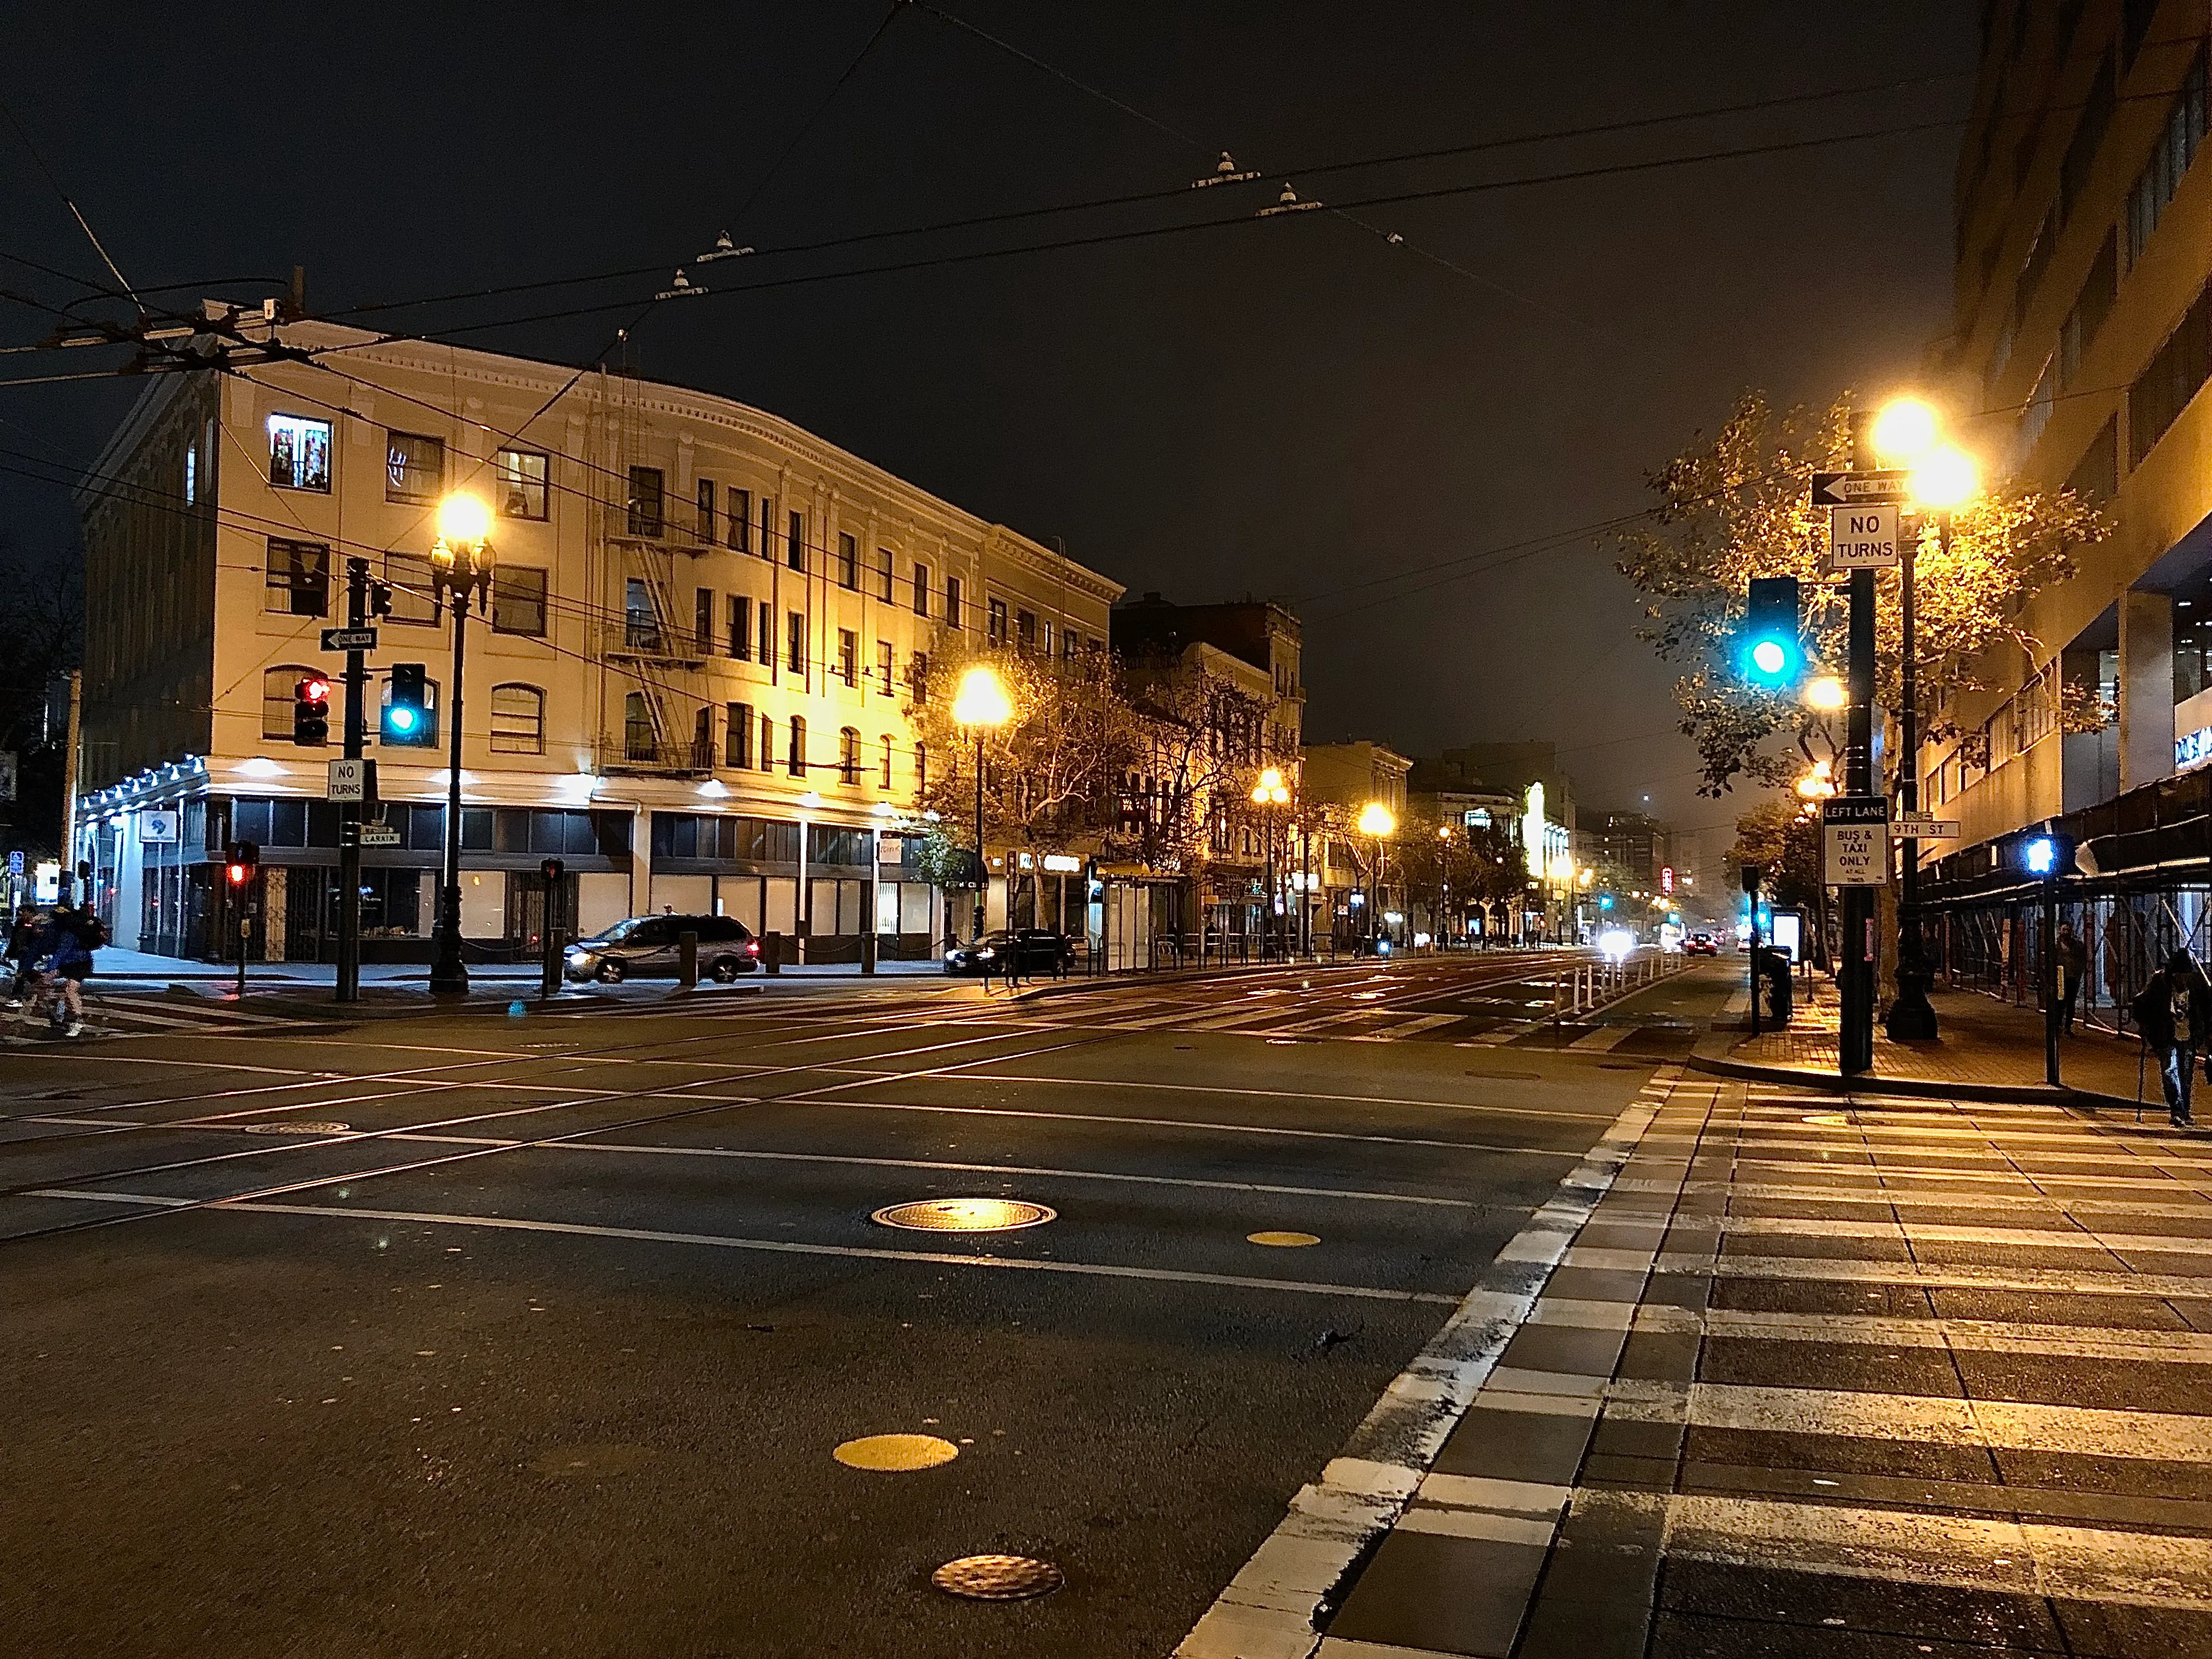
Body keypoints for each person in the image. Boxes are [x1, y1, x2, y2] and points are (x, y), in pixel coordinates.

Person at [2132, 950, 2212, 1129]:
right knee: (2170, 1071)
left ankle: (2185, 1110)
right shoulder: (2160, 982)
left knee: (2186, 1075)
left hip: (2189, 1035)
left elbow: (2207, 1009)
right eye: (2180, 976)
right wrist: (2145, 1026)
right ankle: (2177, 1111)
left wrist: (2206, 1033)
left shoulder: (2196, 985)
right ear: (2174, 974)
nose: (2183, 980)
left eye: (2186, 975)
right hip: (2167, 1035)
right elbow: (2141, 1003)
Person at [2056, 923, 2089, 1036]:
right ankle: (2058, 1025)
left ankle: (2068, 1026)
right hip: (2060, 977)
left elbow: (2082, 958)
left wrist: (2078, 972)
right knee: (2060, 1002)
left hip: (2073, 978)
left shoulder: (2077, 945)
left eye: (2068, 930)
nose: (2066, 932)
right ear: (2060, 931)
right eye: (2064, 930)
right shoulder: (2055, 946)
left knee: (2071, 1003)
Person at [5, 906, 39, 1009]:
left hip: (28, 954)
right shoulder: (22, 923)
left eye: (24, 912)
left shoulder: (31, 925)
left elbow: (25, 937)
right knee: (26, 975)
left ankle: (17, 997)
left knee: (22, 975)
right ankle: (39, 994)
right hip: (22, 954)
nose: (22, 915)